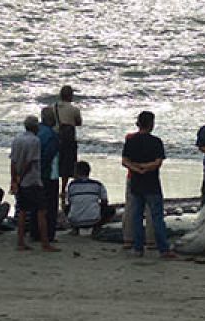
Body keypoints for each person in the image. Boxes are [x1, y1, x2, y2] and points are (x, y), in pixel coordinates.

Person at [121, 111, 175, 259]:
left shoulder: (131, 140)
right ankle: (163, 248)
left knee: (137, 216)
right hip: (151, 182)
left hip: (136, 181)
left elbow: (125, 160)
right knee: (157, 216)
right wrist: (146, 167)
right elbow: (158, 162)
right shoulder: (156, 141)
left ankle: (138, 248)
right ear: (151, 124)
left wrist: (137, 168)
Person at [10, 115, 57, 253]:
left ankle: (20, 242)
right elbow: (30, 162)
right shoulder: (35, 141)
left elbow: (13, 161)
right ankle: (45, 243)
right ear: (35, 127)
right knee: (42, 211)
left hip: (22, 181)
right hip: (33, 180)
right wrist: (20, 177)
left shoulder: (17, 139)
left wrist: (14, 179)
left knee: (23, 211)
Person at [65, 161, 116, 236]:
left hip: (75, 220)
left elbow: (70, 201)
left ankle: (75, 228)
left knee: (67, 207)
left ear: (76, 172)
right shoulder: (97, 184)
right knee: (110, 209)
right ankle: (97, 228)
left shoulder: (72, 185)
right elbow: (105, 201)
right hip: (94, 220)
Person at [53, 86, 82, 205]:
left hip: (56, 139)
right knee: (69, 164)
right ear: (70, 96)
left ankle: (55, 187)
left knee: (56, 163)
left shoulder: (53, 108)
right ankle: (64, 189)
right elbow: (79, 123)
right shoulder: (74, 109)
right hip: (69, 140)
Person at [37, 107, 61, 244]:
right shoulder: (52, 135)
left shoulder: (37, 131)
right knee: (50, 207)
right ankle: (49, 234)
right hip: (49, 174)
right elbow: (48, 156)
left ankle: (35, 232)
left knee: (37, 205)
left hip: (35, 173)